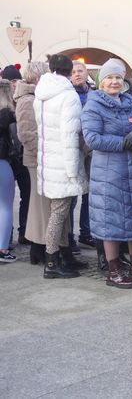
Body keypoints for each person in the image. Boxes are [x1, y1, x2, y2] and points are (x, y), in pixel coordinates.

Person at [81, 59, 132, 288]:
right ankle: (113, 269)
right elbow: (92, 139)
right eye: (109, 78)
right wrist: (124, 142)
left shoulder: (129, 102)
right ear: (101, 82)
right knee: (110, 221)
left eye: (118, 77)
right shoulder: (94, 105)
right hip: (108, 174)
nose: (114, 82)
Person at [34, 54, 89, 278]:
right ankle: (51, 263)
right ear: (68, 71)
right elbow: (69, 136)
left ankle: (65, 256)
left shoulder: (41, 93)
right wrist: (72, 170)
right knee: (58, 214)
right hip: (63, 163)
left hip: (48, 161)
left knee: (61, 213)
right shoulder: (68, 96)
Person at [14, 61, 52, 265]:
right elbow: (26, 133)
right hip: (36, 159)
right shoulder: (28, 100)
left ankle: (39, 248)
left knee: (41, 206)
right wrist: (44, 152)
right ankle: (39, 247)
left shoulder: (34, 97)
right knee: (39, 207)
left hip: (41, 158)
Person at [1, 68, 30, 247]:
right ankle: (7, 237)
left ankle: (23, 232)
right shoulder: (8, 110)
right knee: (6, 201)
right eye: (12, 82)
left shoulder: (19, 102)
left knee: (26, 195)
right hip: (11, 157)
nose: (14, 86)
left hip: (19, 157)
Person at [69, 60, 95, 249]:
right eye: (73, 72)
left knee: (90, 194)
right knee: (72, 195)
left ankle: (86, 232)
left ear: (87, 73)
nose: (77, 74)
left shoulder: (94, 95)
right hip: (74, 150)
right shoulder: (67, 95)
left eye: (80, 70)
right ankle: (69, 236)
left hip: (92, 151)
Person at [0, 93, 16, 262]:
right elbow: (17, 140)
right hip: (2, 162)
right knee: (4, 207)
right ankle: (2, 249)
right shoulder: (7, 114)